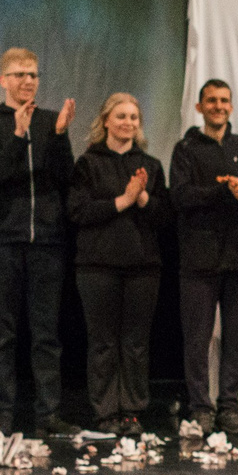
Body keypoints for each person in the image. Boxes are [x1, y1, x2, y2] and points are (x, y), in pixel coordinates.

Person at [0, 48, 77, 440]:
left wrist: (61, 136)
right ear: (3, 80)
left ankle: (48, 414)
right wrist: (17, 134)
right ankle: (3, 414)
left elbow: (65, 176)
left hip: (47, 240)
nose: (27, 81)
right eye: (19, 74)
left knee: (46, 333)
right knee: (4, 332)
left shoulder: (50, 120)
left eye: (32, 74)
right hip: (4, 239)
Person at [169, 79, 238, 439]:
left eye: (224, 100)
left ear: (231, 106)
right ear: (199, 108)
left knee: (236, 337)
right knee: (197, 338)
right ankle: (200, 409)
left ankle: (229, 407)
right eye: (211, 100)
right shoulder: (186, 149)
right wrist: (222, 189)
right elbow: (179, 196)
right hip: (198, 259)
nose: (218, 105)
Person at [69, 93, 168, 434]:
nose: (128, 122)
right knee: (103, 342)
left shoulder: (151, 166)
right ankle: (105, 412)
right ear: (106, 121)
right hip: (98, 266)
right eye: (121, 116)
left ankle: (133, 411)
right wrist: (122, 201)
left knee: (136, 343)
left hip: (142, 267)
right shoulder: (88, 164)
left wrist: (142, 198)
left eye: (133, 117)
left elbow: (164, 218)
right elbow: (78, 211)